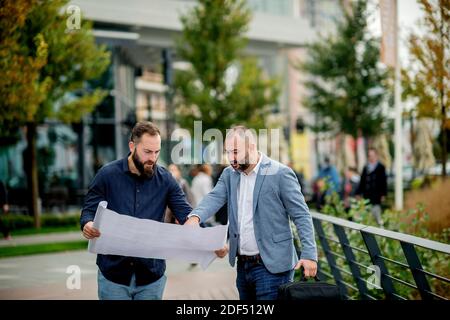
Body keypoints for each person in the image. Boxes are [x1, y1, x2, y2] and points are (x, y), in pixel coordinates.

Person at [185, 125, 318, 300]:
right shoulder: (229, 174)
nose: (230, 158)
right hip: (243, 267)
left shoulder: (280, 174)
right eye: (227, 152)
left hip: (273, 268)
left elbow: (301, 215)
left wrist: (309, 254)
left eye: (235, 152)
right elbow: (214, 198)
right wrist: (195, 217)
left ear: (252, 147)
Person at [80, 121, 193, 300]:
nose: (153, 158)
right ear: (132, 146)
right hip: (113, 276)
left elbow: (188, 215)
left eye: (157, 152)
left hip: (151, 277)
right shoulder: (107, 175)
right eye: (147, 152)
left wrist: (211, 240)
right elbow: (88, 211)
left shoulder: (166, 180)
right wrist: (88, 224)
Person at [355, 148, 387, 226]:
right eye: (369, 156)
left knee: (377, 219)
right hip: (367, 198)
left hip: (376, 198)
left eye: (373, 155)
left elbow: (384, 182)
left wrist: (383, 194)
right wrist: (358, 193)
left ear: (376, 156)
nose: (371, 157)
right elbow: (362, 182)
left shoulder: (381, 167)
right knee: (367, 219)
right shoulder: (366, 168)